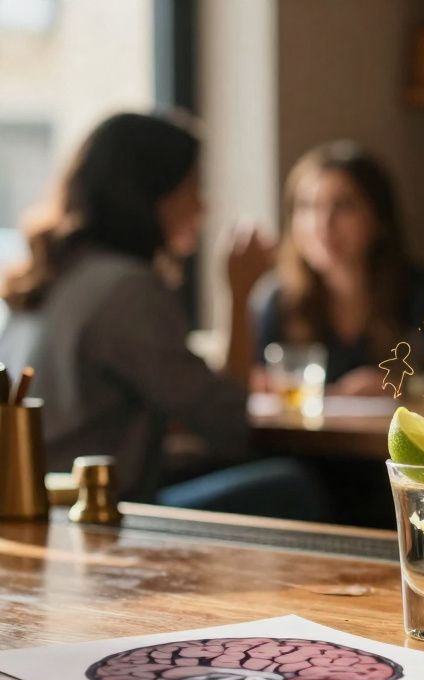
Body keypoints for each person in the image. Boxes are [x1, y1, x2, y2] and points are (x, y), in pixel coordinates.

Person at [0, 111, 329, 521]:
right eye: (192, 188)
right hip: (93, 514)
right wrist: (240, 294)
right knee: (292, 485)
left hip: (39, 502)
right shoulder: (128, 290)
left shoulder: (55, 275)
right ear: (151, 195)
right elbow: (228, 422)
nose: (203, 206)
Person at [248, 141, 424, 395]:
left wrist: (402, 387)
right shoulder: (277, 301)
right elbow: (249, 383)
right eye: (307, 206)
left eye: (343, 206)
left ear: (379, 217)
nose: (322, 224)